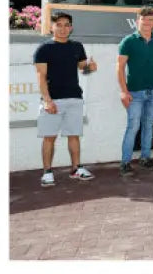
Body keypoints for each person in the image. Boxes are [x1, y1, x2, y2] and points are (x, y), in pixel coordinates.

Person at [33, 10, 98, 187]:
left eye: (66, 25)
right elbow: (41, 76)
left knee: (74, 135)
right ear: (52, 27)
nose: (63, 29)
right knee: (49, 137)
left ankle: (76, 169)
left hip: (74, 98)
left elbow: (82, 68)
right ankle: (47, 172)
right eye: (59, 25)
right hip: (52, 100)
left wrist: (90, 67)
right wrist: (47, 100)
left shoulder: (77, 46)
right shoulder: (44, 49)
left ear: (71, 27)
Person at [117, 7, 153, 176]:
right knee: (133, 126)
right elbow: (120, 68)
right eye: (143, 19)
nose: (147, 23)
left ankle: (145, 158)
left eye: (150, 20)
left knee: (148, 125)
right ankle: (125, 162)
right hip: (135, 93)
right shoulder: (128, 41)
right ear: (137, 20)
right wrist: (124, 92)